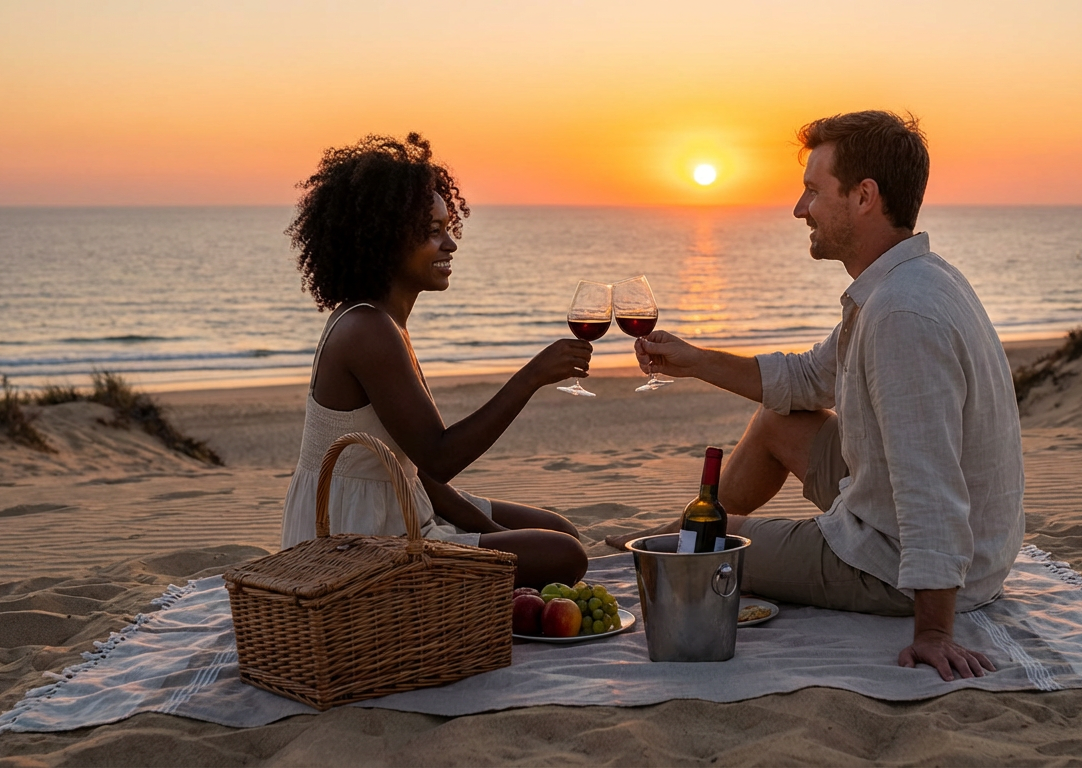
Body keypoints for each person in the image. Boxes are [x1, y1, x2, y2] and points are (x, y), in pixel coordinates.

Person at [610, 112, 1024, 681]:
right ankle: (698, 529)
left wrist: (931, 632)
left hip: (895, 563)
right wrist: (696, 362)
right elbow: (805, 381)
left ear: (863, 197)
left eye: (811, 190)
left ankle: (692, 545)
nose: (799, 209)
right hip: (898, 512)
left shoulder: (902, 314)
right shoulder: (908, 279)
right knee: (778, 423)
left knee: (708, 550)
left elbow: (931, 486)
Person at [281, 133, 589, 588]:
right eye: (432, 232)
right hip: (360, 536)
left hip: (399, 500)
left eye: (449, 227)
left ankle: (480, 587)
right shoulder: (368, 330)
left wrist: (495, 536)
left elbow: (421, 472)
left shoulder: (381, 319)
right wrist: (532, 377)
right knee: (563, 554)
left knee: (558, 531)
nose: (451, 245)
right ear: (384, 238)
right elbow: (440, 456)